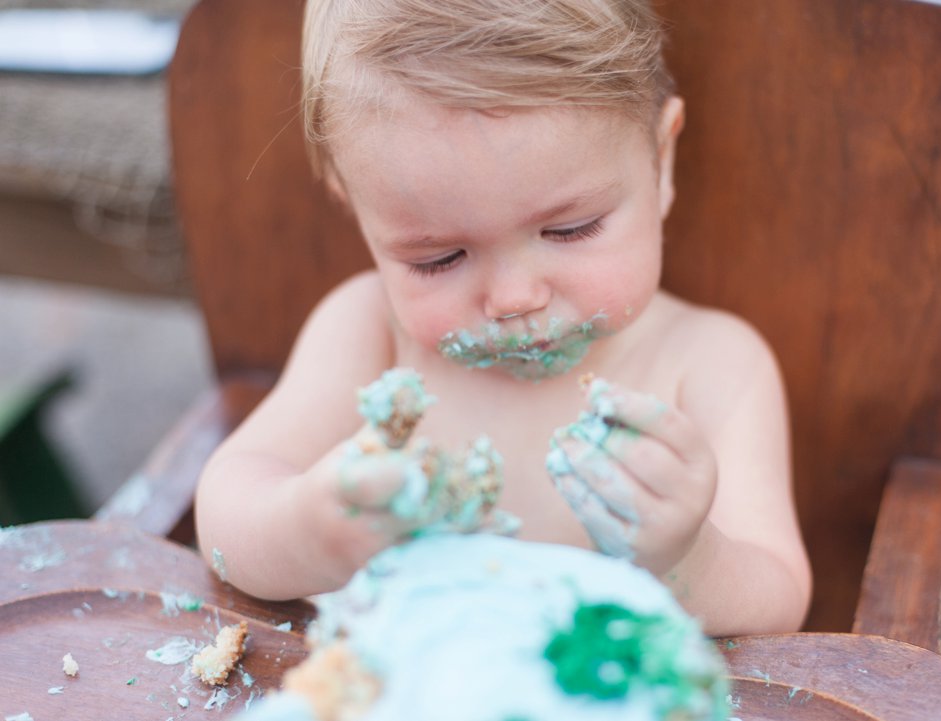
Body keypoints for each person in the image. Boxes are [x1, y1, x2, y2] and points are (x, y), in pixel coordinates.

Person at [195, 0, 811, 637]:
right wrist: (306, 531)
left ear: (661, 162)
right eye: (439, 258)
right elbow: (225, 511)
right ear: (356, 210)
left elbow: (780, 599)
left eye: (571, 229)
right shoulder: (369, 333)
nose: (515, 298)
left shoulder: (712, 364)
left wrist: (688, 559)